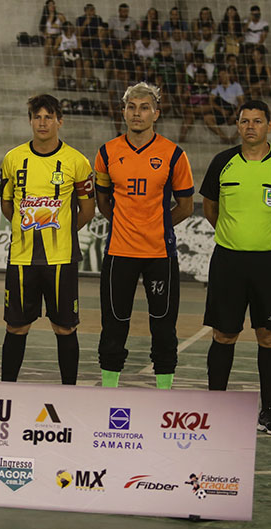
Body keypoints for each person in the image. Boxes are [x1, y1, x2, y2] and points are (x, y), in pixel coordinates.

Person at [200, 99, 271, 437]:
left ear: (269, 126)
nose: (251, 126)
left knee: (269, 337)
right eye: (245, 120)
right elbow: (210, 208)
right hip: (229, 261)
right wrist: (236, 238)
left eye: (257, 121)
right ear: (237, 125)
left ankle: (270, 412)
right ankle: (215, 408)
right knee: (224, 334)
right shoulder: (222, 163)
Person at [94, 82, 195, 390]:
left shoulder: (174, 155)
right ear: (123, 111)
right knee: (114, 324)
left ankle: (164, 390)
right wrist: (126, 224)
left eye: (144, 108)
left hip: (159, 255)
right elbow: (102, 201)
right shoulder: (106, 153)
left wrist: (158, 225)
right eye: (131, 107)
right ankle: (108, 388)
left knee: (163, 325)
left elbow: (186, 206)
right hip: (119, 252)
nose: (137, 113)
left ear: (156, 113)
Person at [0, 94, 95, 385]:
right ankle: (7, 390)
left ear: (59, 121)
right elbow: (8, 205)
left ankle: (69, 391)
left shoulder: (77, 161)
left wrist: (61, 230)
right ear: (30, 121)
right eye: (37, 117)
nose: (42, 123)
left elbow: (87, 209)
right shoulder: (13, 159)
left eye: (48, 117)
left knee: (64, 328)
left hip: (60, 259)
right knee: (16, 327)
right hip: (21, 258)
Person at [205, 67, 244, 143]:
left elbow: (241, 102)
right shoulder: (217, 87)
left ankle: (233, 139)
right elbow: (211, 101)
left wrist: (235, 113)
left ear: (228, 75)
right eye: (220, 75)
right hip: (221, 110)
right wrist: (221, 110)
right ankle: (224, 138)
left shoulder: (236, 86)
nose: (222, 77)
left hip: (233, 110)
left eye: (223, 74)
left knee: (245, 121)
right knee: (207, 118)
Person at [54, 21, 85, 90]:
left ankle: (79, 85)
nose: (72, 28)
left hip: (74, 56)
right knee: (57, 62)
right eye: (70, 27)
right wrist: (63, 51)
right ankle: (56, 84)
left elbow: (80, 48)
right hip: (64, 56)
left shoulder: (76, 37)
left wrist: (74, 49)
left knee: (79, 61)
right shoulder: (60, 38)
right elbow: (55, 50)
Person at [40, 0, 65, 67]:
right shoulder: (45, 17)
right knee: (49, 40)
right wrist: (45, 34)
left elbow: (67, 27)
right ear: (47, 7)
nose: (52, 6)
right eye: (50, 5)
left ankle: (54, 56)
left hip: (58, 36)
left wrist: (59, 27)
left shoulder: (60, 16)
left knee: (55, 40)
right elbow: (42, 29)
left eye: (53, 4)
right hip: (49, 37)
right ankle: (46, 62)